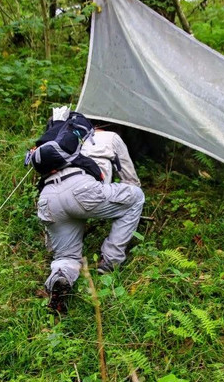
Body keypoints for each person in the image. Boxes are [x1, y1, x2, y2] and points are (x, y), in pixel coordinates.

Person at [36, 121, 145, 313]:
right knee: (135, 198)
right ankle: (110, 261)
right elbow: (131, 181)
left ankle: (60, 278)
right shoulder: (111, 137)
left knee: (66, 256)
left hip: (48, 197)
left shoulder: (62, 141)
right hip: (82, 189)